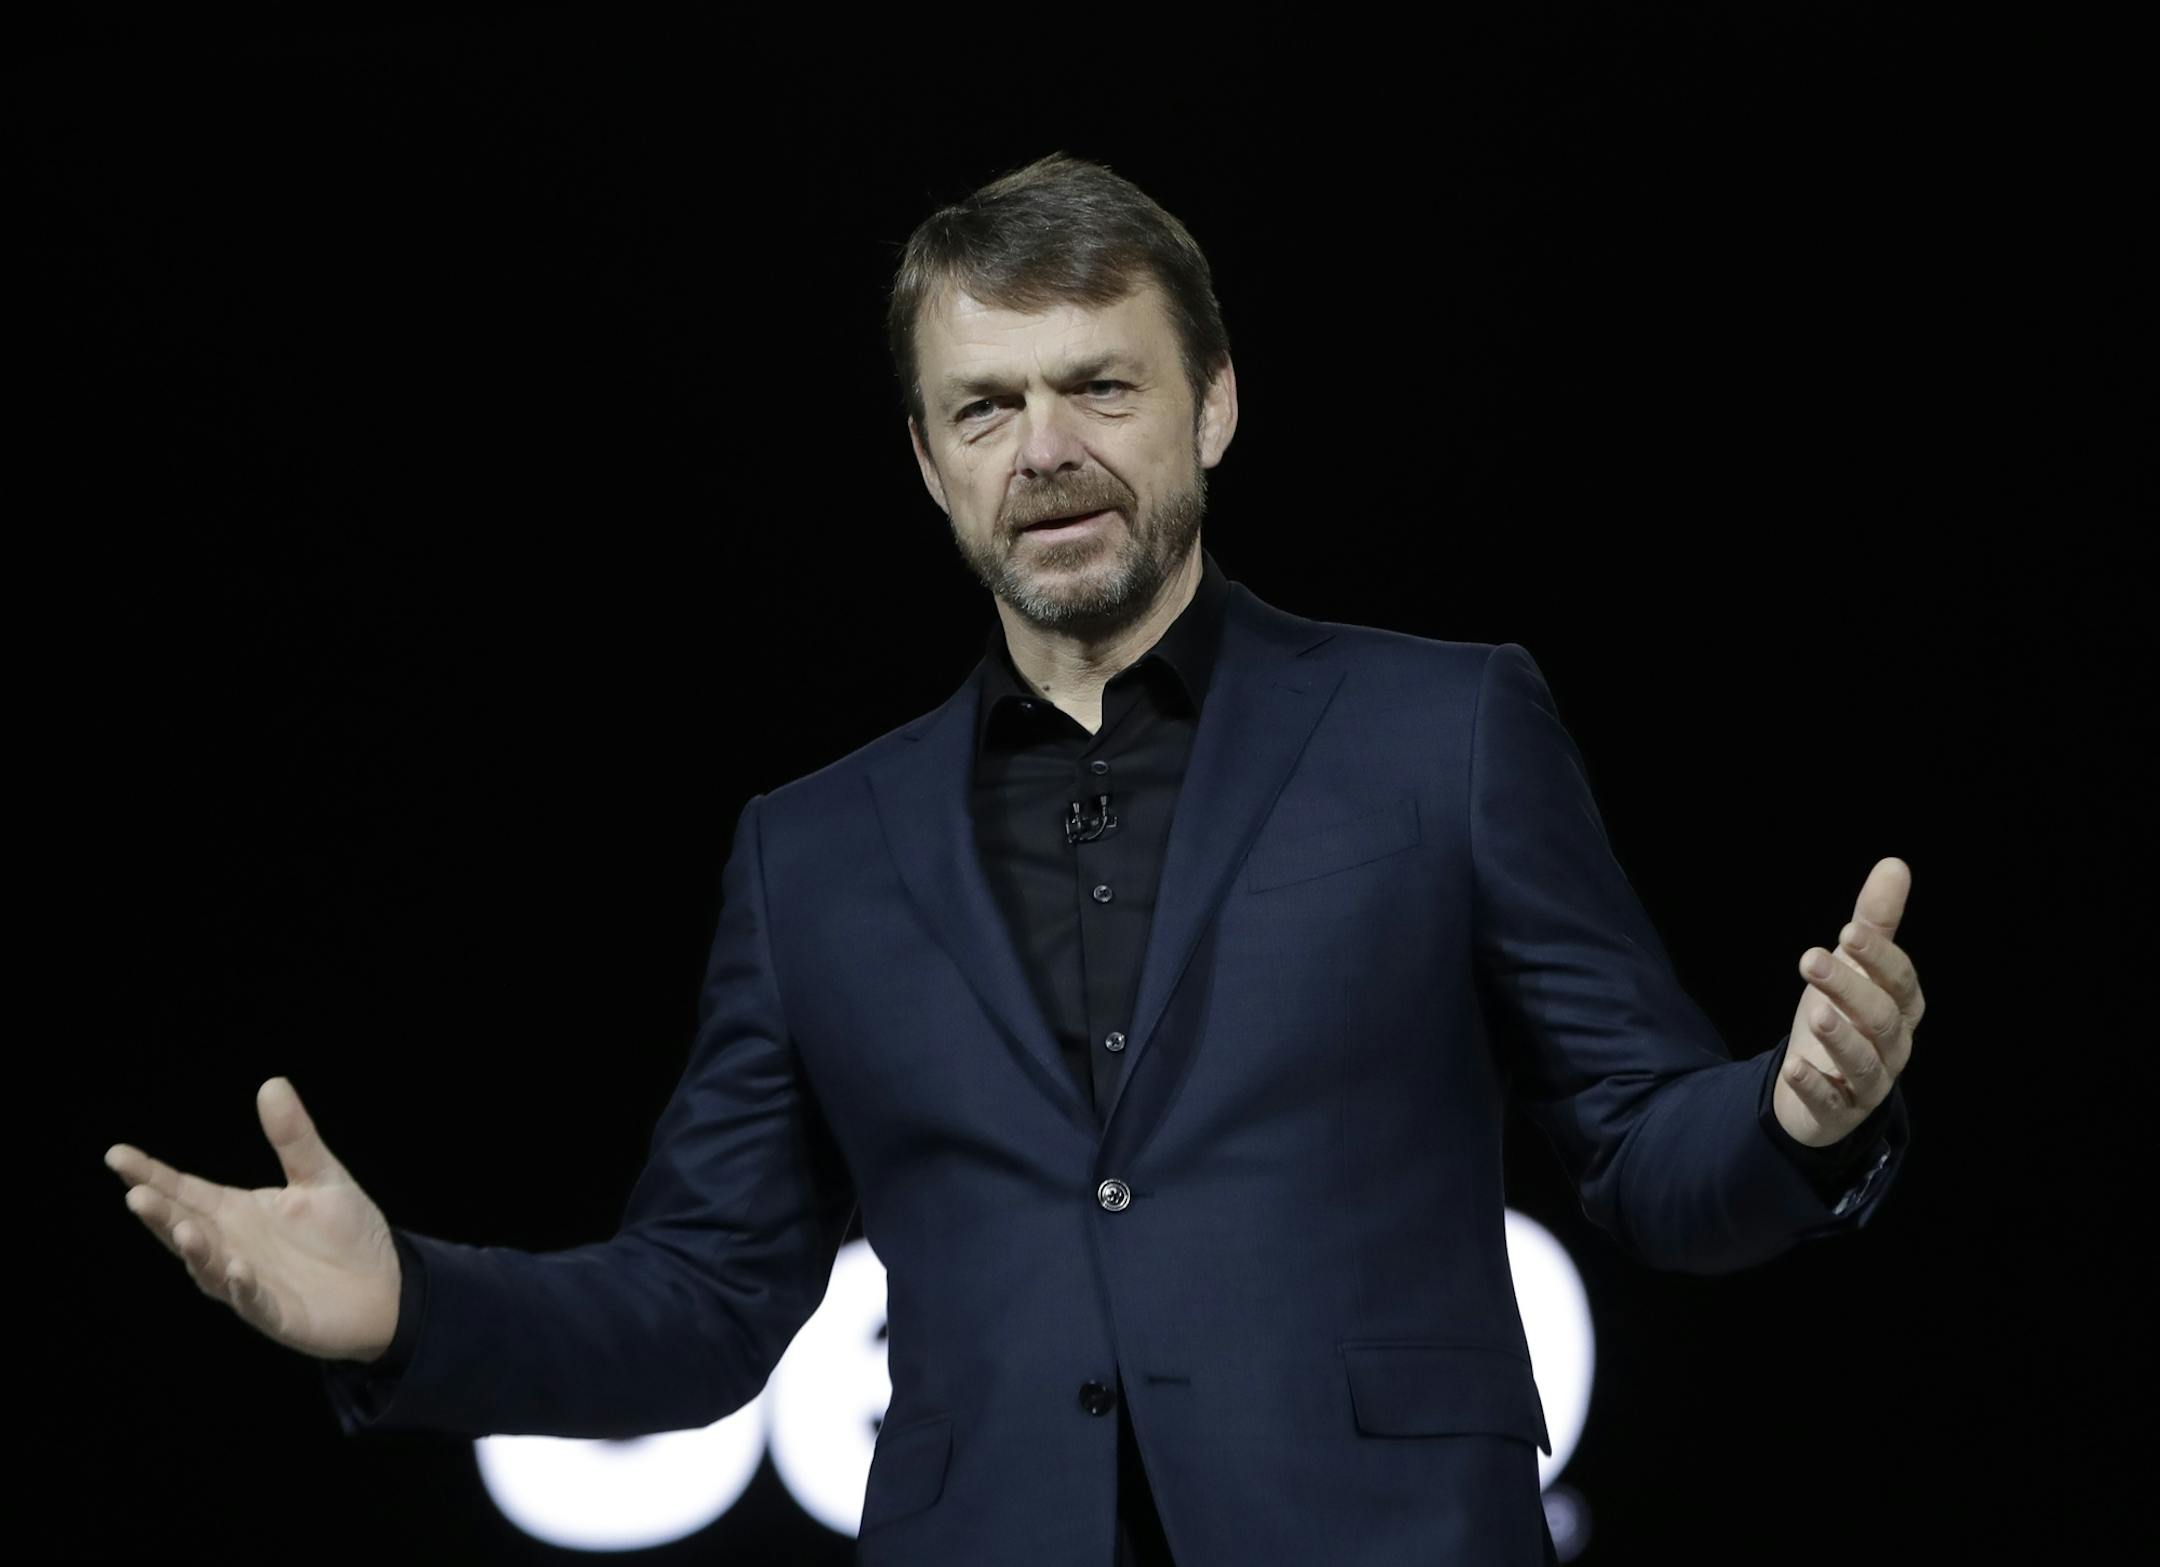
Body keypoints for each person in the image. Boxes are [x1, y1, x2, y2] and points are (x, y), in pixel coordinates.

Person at [105, 152, 1920, 1566]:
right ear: (926, 459)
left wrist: (1793, 1118)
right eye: (985, 409)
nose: (1043, 450)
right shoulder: (809, 852)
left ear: (1208, 407)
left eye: (1096, 389)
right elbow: (708, 1304)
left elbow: (1640, 1146)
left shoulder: (1441, 730)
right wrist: (410, 1302)